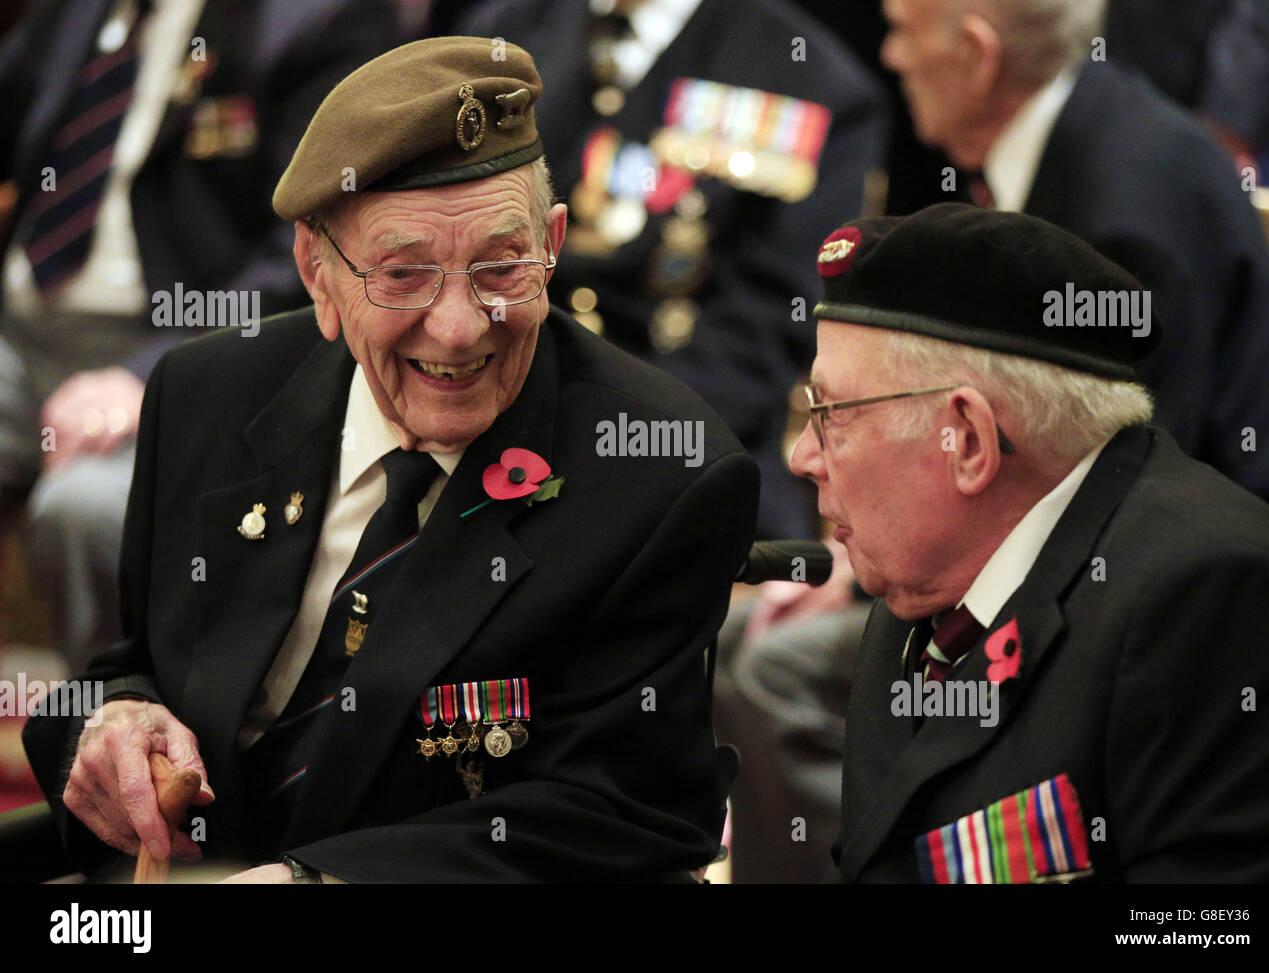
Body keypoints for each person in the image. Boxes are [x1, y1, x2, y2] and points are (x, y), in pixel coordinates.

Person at [22, 36, 759, 883]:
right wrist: (115, 719)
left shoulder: (661, 476)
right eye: (403, 275)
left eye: (501, 265)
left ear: (552, 244)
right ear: (317, 274)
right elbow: (131, 661)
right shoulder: (208, 394)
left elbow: (616, 815)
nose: (459, 326)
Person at [791, 204, 1269, 882]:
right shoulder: (929, 577)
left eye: (832, 415)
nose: (803, 455)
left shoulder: (1204, 595)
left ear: (967, 439)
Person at [0, 0, 400, 668]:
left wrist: (144, 374)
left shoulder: (316, 21)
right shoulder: (79, 10)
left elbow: (310, 256)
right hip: (20, 332)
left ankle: (115, 736)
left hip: (184, 346)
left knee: (90, 512)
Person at [451, 0, 890, 539]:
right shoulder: (504, 29)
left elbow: (765, 328)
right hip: (479, 422)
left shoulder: (806, 72)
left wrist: (597, 439)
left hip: (679, 448)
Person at [879, 0, 1269, 517]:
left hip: (1196, 582)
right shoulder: (1085, 125)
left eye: (902, 31)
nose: (892, 55)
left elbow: (1113, 502)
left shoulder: (1122, 231)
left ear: (976, 54)